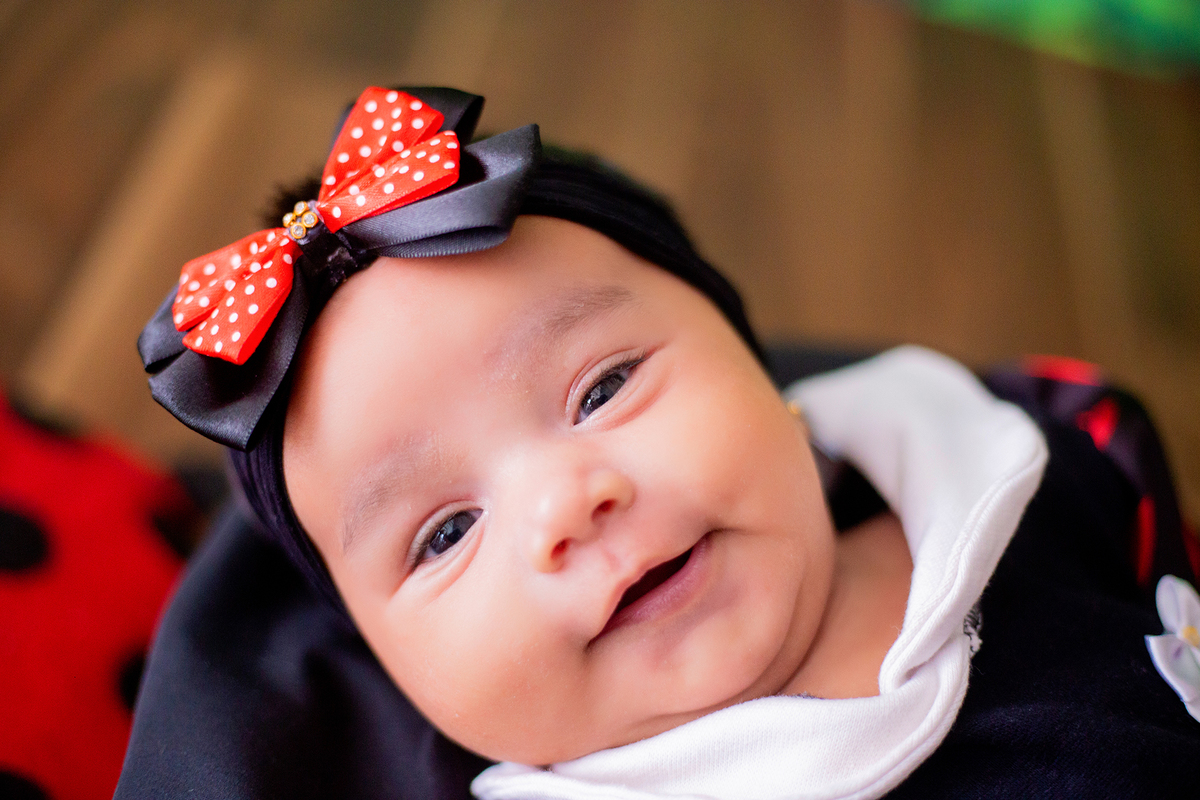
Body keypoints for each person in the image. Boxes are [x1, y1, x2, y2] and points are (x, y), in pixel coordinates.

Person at [126, 86, 1200, 799]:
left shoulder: (998, 469)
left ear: (761, 368)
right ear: (387, 667)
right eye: (445, 530)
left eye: (603, 386)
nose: (566, 502)